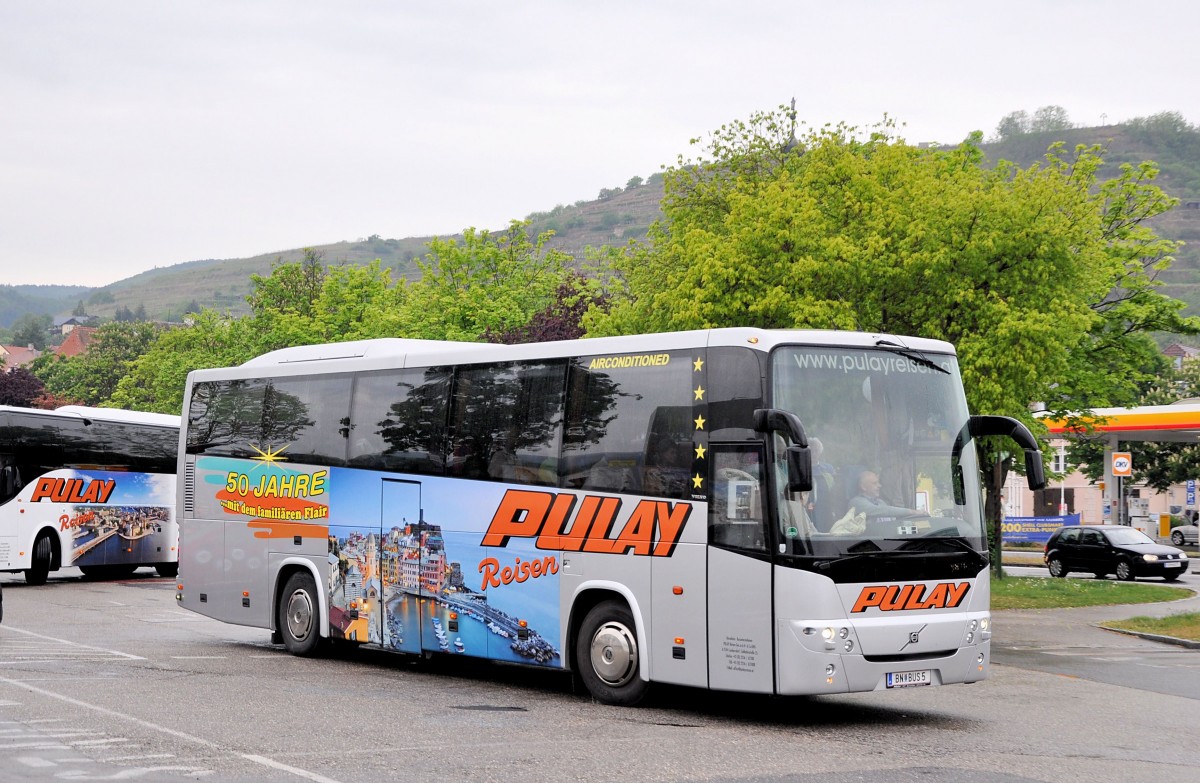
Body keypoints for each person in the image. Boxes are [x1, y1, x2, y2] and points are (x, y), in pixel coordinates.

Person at [848, 469, 916, 519]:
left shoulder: (880, 502)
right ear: (863, 487)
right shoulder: (856, 503)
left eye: (878, 482)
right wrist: (912, 512)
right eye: (874, 483)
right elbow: (884, 511)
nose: (879, 486)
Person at [805, 438, 837, 532]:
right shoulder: (801, 467)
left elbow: (834, 488)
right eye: (811, 451)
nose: (814, 454)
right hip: (809, 505)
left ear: (820, 452)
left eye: (816, 451)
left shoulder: (828, 468)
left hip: (826, 506)